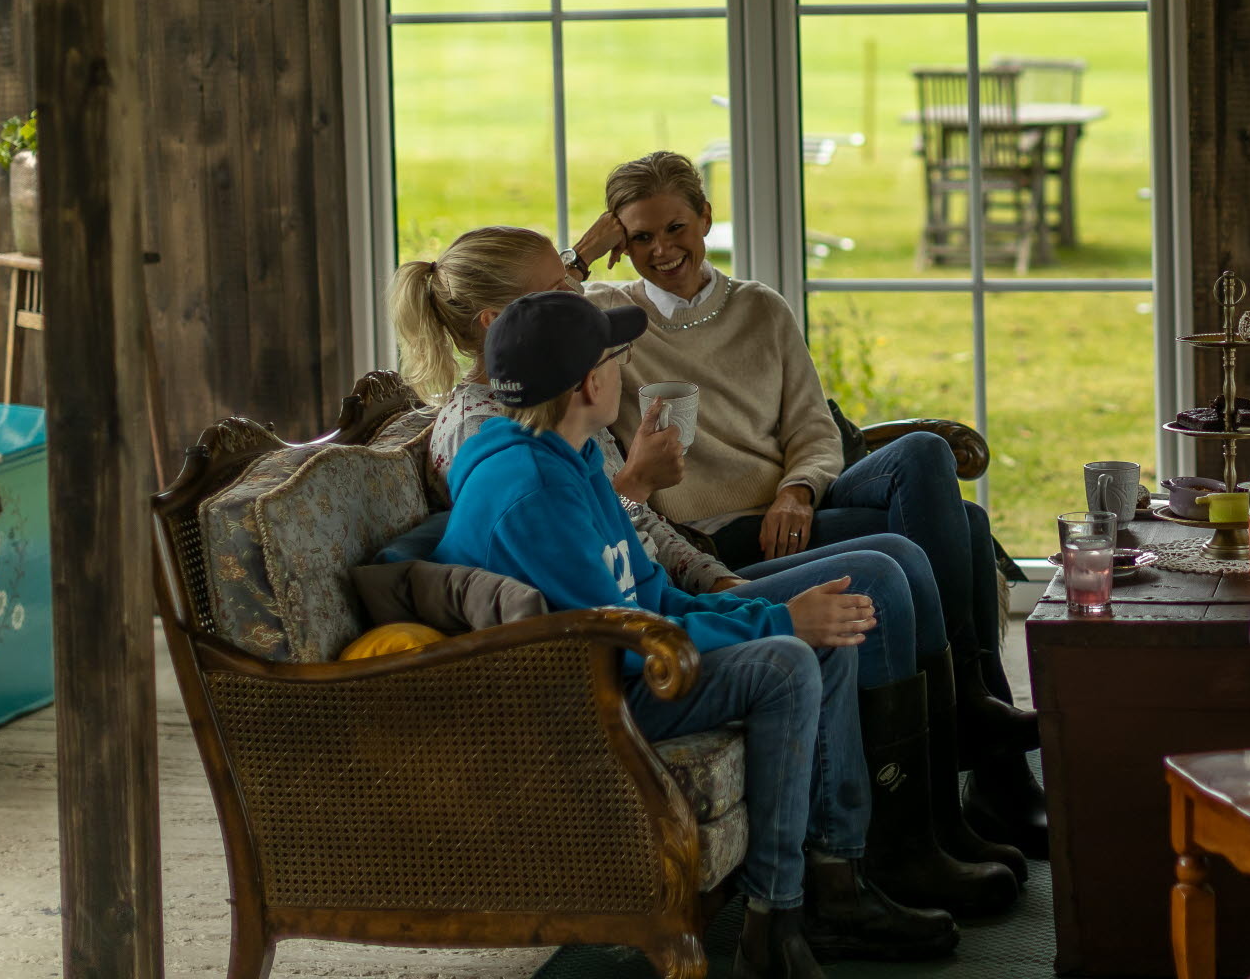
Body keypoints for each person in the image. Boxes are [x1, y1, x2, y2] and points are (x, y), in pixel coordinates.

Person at [392, 226, 1019, 910]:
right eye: (562, 292)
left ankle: (929, 816)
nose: (581, 295)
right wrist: (739, 587)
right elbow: (594, 581)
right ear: (510, 326)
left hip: (677, 580)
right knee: (874, 575)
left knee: (943, 518)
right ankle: (886, 853)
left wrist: (724, 578)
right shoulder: (509, 449)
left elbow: (635, 554)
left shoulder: (556, 424)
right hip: (614, 649)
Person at [431, 289, 954, 979]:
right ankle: (776, 922)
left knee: (822, 631)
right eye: (617, 358)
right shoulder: (530, 491)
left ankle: (838, 883)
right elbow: (626, 638)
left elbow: (649, 593)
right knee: (788, 662)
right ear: (592, 384)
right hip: (586, 697)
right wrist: (775, 623)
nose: (622, 370)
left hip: (625, 657)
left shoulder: (574, 457)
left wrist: (773, 612)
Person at [577, 151, 1047, 856]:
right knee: (963, 528)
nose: (661, 250)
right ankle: (987, 754)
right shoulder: (609, 318)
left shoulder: (760, 307)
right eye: (639, 237)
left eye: (676, 227)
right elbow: (512, 335)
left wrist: (798, 489)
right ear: (620, 239)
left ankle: (976, 721)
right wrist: (582, 255)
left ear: (707, 217)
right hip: (710, 537)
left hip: (788, 515)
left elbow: (811, 430)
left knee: (926, 457)